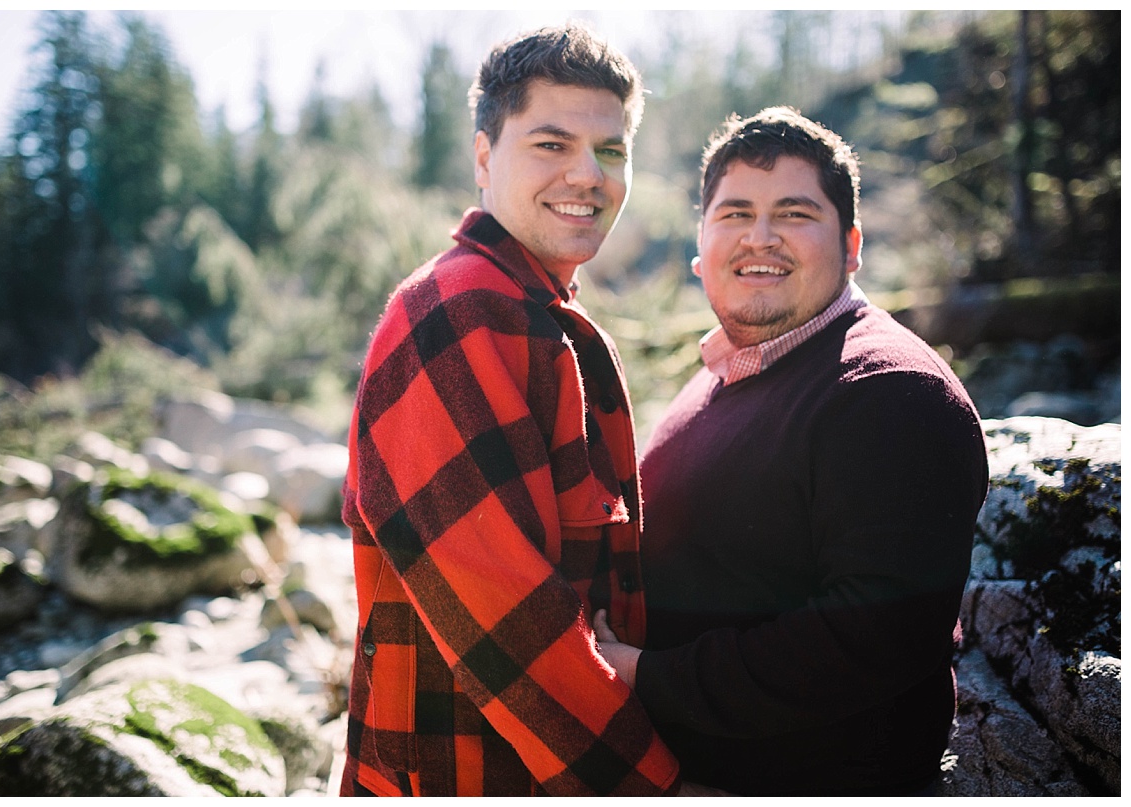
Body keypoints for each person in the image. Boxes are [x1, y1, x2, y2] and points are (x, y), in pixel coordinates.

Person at [595, 107, 989, 796]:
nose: (761, 236)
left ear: (852, 244)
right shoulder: (726, 375)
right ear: (700, 246)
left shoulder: (889, 391)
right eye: (735, 212)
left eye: (796, 213)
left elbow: (866, 642)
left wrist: (640, 674)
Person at [339, 24, 680, 797]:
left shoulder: (530, 307)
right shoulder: (462, 310)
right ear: (485, 157)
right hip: (475, 769)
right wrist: (654, 782)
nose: (588, 175)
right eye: (552, 145)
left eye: (611, 150)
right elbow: (510, 621)